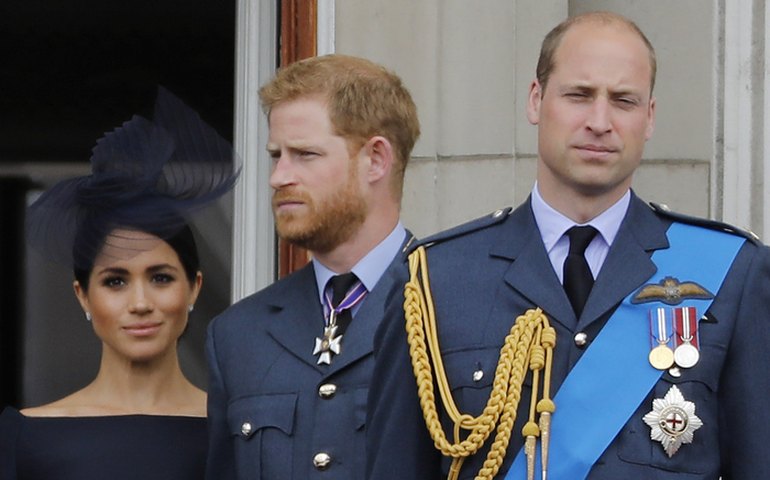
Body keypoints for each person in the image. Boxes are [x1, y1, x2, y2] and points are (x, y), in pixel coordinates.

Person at [367, 11, 770, 480]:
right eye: (579, 95)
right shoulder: (434, 283)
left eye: (623, 100)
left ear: (650, 117)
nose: (600, 121)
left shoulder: (731, 275)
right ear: (536, 100)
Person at [0, 88, 239, 480]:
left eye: (161, 277)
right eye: (115, 281)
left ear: (194, 287)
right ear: (83, 296)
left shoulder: (237, 434)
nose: (140, 302)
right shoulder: (25, 437)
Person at [205, 53, 420, 480]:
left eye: (304, 154)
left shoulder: (455, 306)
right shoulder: (238, 334)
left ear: (376, 159)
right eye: (276, 155)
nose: (278, 176)